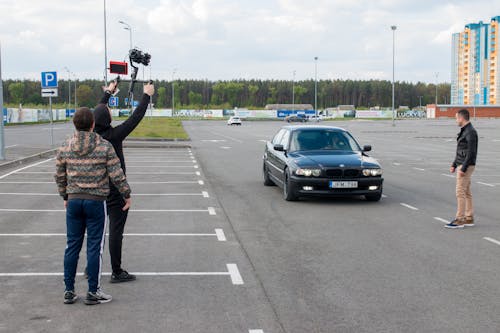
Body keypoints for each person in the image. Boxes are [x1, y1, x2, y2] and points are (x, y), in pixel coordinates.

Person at [55, 107, 132, 305]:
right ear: (92, 125)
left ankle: (69, 290)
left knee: (71, 245)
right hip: (96, 201)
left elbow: (59, 175)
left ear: (74, 124)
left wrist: (65, 195)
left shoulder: (65, 145)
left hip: (73, 201)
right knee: (94, 246)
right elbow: (116, 173)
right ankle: (93, 291)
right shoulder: (104, 146)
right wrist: (126, 194)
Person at [92, 81, 154, 283]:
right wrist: (146, 95)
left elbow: (98, 112)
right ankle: (116, 271)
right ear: (107, 118)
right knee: (115, 231)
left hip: (95, 189)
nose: (110, 110)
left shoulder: (92, 136)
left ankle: (91, 267)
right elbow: (135, 118)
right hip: (115, 191)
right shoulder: (114, 135)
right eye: (109, 110)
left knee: (96, 232)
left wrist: (109, 92)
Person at [446, 109, 478, 229]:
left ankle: (460, 219)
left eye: (456, 118)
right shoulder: (465, 131)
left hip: (466, 165)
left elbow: (471, 152)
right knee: (466, 192)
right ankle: (469, 218)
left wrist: (463, 168)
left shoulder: (470, 132)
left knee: (460, 192)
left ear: (461, 118)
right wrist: (454, 164)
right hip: (462, 163)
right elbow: (461, 150)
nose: (455, 121)